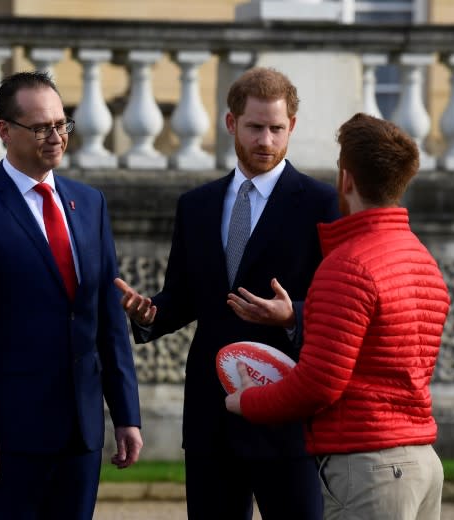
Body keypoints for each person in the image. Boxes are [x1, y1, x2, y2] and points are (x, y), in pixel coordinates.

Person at [115, 67, 339, 519]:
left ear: (291, 126)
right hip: (210, 419)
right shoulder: (195, 206)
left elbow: (339, 308)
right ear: (231, 123)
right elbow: (183, 297)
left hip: (288, 417)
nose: (266, 140)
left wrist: (292, 314)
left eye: (277, 129)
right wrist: (148, 313)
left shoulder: (322, 204)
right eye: (255, 127)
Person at [0, 71, 143, 520]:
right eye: (41, 127)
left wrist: (127, 413)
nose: (56, 136)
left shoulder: (90, 205)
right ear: (4, 131)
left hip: (82, 434)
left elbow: (107, 320)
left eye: (61, 124)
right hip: (10, 436)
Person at [226, 113, 451, 520]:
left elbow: (317, 386)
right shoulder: (421, 258)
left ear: (345, 179)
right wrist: (297, 317)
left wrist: (247, 401)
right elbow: (383, 344)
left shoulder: (346, 264)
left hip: (368, 468)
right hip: (423, 462)